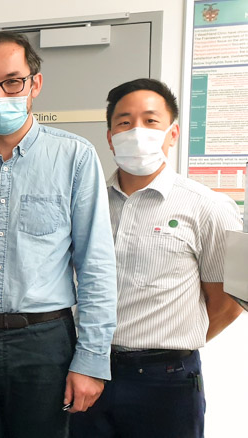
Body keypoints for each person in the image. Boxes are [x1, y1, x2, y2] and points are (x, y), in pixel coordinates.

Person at [0, 31, 117, 437]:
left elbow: (96, 264)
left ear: (35, 84)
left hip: (44, 344)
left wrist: (92, 360)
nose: (0, 94)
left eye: (13, 81)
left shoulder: (75, 157)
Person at [69, 78, 244, 437]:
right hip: (87, 370)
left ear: (173, 133)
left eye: (151, 121)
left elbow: (231, 301)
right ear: (109, 136)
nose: (137, 131)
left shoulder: (213, 206)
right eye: (124, 122)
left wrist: (168, 345)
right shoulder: (87, 204)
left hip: (167, 382)